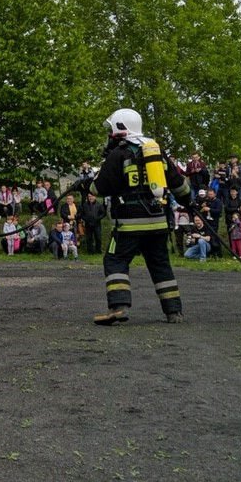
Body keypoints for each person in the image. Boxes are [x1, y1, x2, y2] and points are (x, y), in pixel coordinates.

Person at [87, 108, 191, 325]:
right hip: (158, 221)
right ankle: (174, 311)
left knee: (115, 260)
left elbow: (99, 189)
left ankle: (119, 307)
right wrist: (188, 201)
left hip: (129, 224)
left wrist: (87, 185)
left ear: (120, 129)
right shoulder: (156, 152)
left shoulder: (119, 154)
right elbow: (179, 185)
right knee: (160, 263)